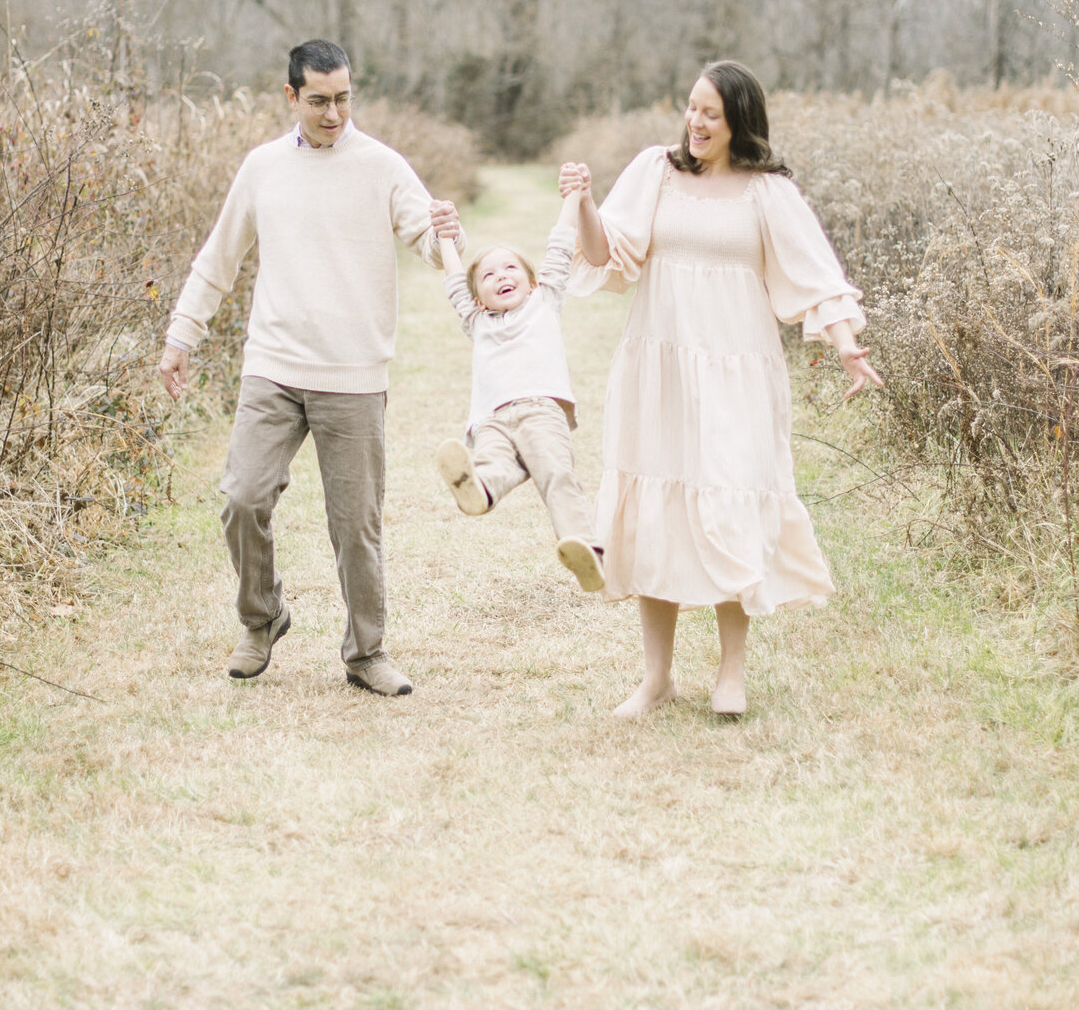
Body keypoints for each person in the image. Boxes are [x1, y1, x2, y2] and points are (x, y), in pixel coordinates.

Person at [562, 60, 882, 720]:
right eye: (690, 108)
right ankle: (656, 679)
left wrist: (848, 346)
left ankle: (730, 674)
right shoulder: (657, 171)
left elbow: (817, 277)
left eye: (710, 112)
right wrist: (584, 202)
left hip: (738, 370)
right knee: (657, 507)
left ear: (738, 119)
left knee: (731, 501)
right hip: (661, 369)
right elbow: (603, 253)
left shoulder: (768, 193)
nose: (696, 122)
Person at [158, 40, 461, 696]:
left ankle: (366, 653)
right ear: (291, 96)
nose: (334, 113)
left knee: (355, 526)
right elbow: (219, 258)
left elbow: (428, 239)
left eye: (344, 98)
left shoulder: (382, 166)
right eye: (319, 100)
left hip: (353, 374)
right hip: (273, 366)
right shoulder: (262, 168)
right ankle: (262, 619)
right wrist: (182, 334)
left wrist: (447, 235)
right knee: (242, 496)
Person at [433, 188, 604, 594]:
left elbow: (560, 247)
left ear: (532, 281)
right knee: (493, 465)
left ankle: (588, 552)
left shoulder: (544, 301)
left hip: (541, 410)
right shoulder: (478, 322)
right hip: (491, 419)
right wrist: (444, 238)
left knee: (556, 476)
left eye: (509, 269)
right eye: (488, 276)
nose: (500, 277)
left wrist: (574, 198)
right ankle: (482, 491)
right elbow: (456, 283)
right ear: (479, 297)